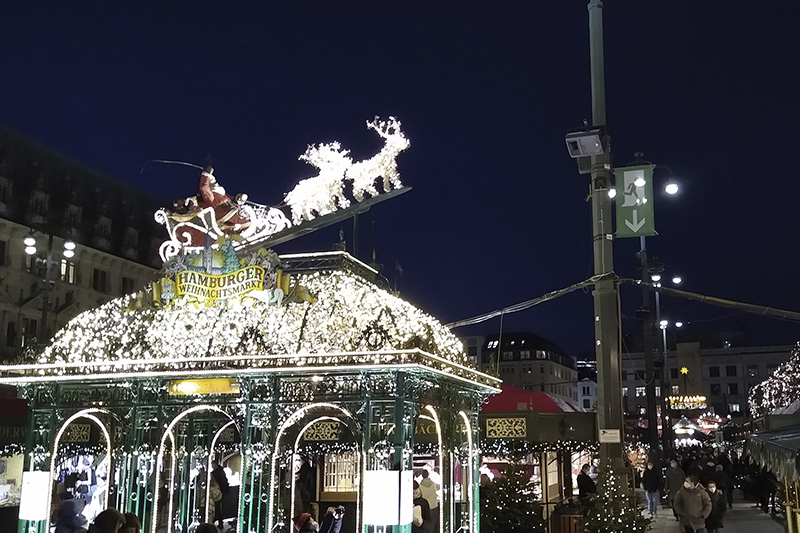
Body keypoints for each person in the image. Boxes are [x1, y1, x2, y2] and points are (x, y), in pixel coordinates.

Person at [211, 460, 232, 529]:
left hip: (219, 492)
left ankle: (219, 522)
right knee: (218, 508)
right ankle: (219, 522)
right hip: (221, 491)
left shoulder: (216, 472)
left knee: (217, 508)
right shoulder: (220, 471)